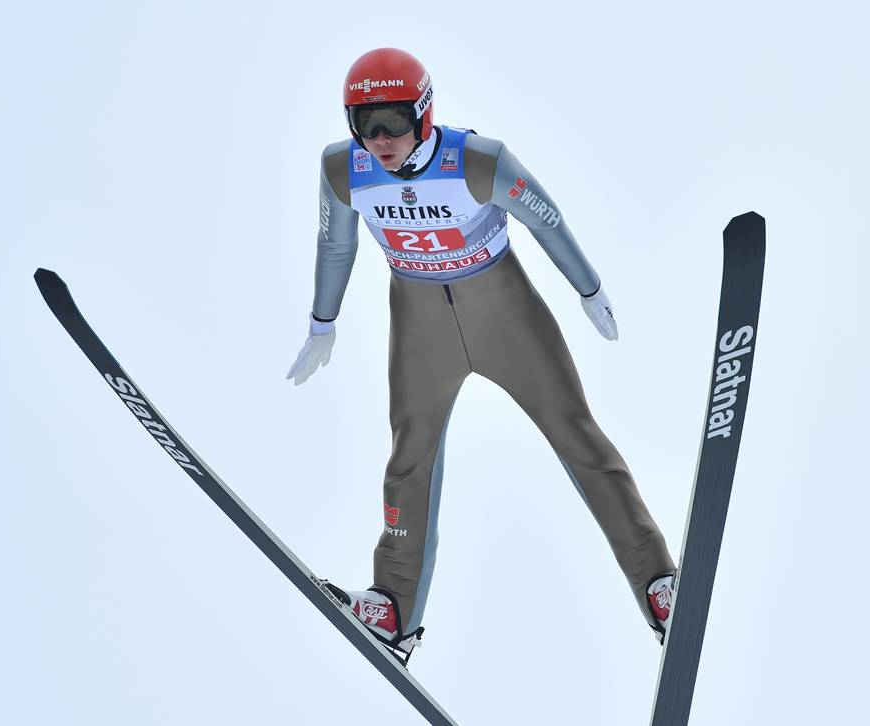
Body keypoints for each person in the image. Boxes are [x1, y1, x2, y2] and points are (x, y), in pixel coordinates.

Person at [287, 48, 677, 664]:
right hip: (420, 325)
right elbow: (335, 246)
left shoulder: (477, 160)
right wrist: (321, 324)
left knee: (577, 435)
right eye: (365, 124)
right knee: (408, 461)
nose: (380, 139)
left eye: (392, 119)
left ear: (423, 111)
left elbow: (546, 219)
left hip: (505, 313)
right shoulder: (344, 170)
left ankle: (658, 583)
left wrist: (590, 289)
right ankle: (393, 608)